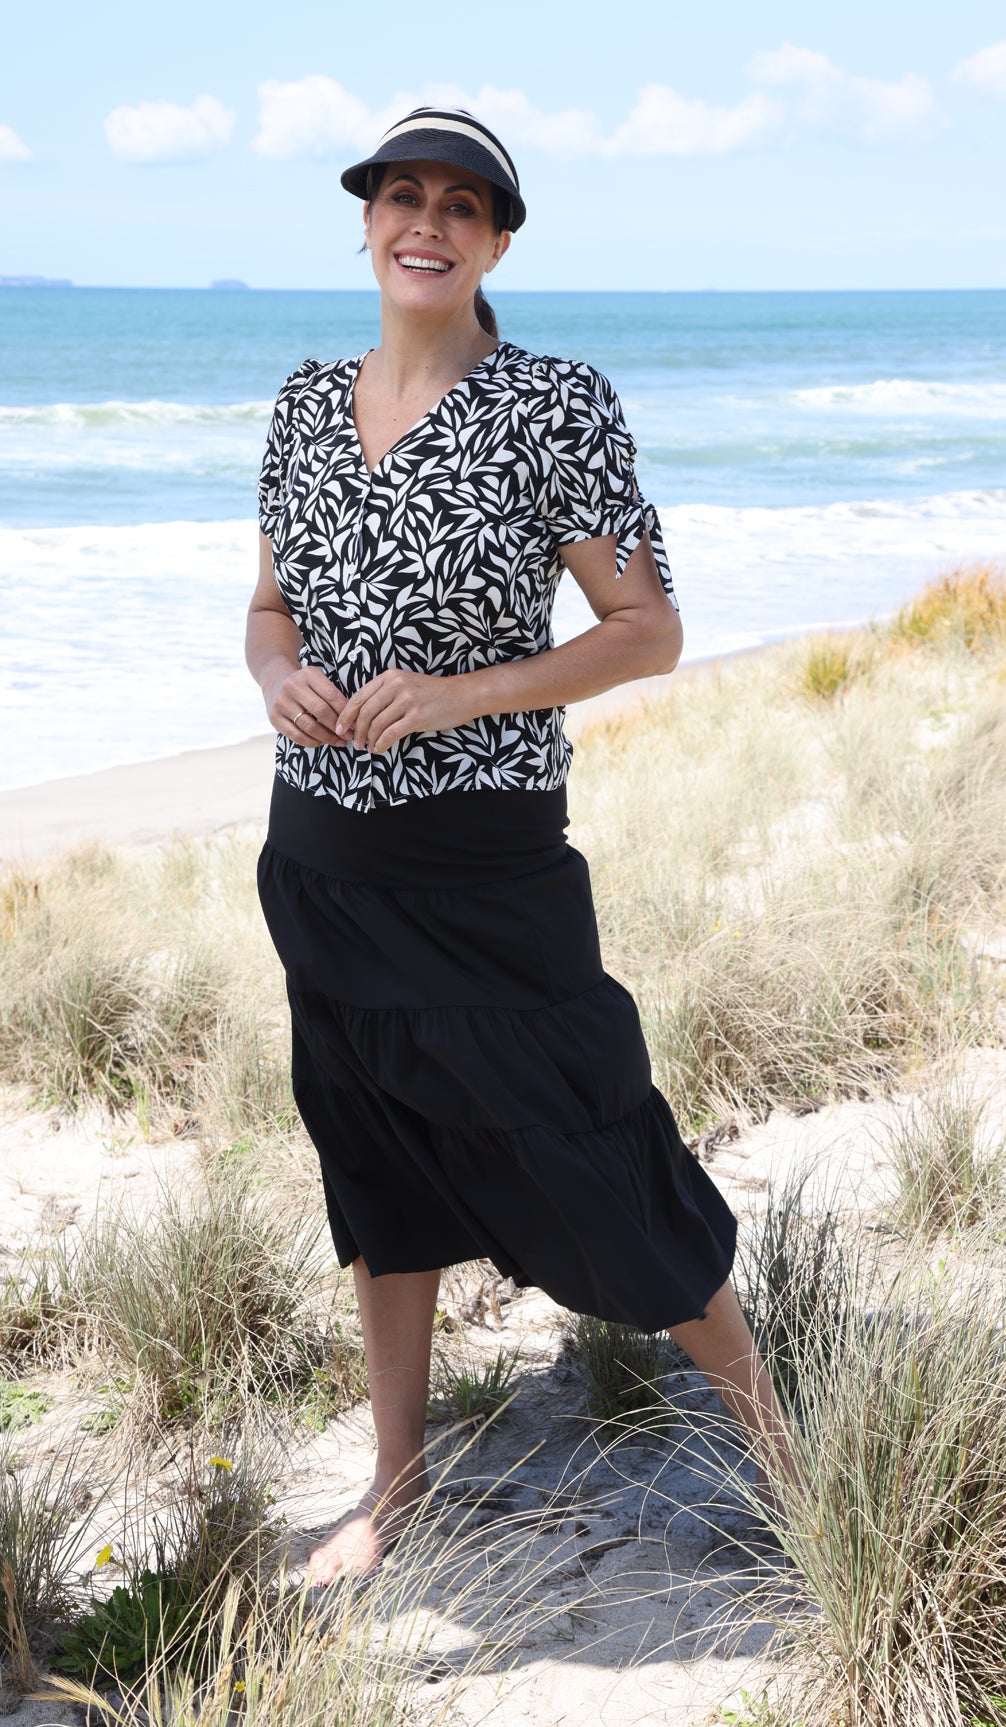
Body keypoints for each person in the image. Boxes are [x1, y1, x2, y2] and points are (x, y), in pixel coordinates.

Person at [246, 105, 800, 1586]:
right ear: (366, 222)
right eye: (401, 196)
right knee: (372, 1159)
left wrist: (458, 695)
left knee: (588, 1128)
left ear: (496, 241)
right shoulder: (303, 404)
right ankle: (397, 1483)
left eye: (461, 206)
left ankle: (785, 1456)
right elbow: (268, 608)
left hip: (487, 868)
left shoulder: (554, 403)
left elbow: (648, 632)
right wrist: (274, 676)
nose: (425, 222)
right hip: (322, 865)